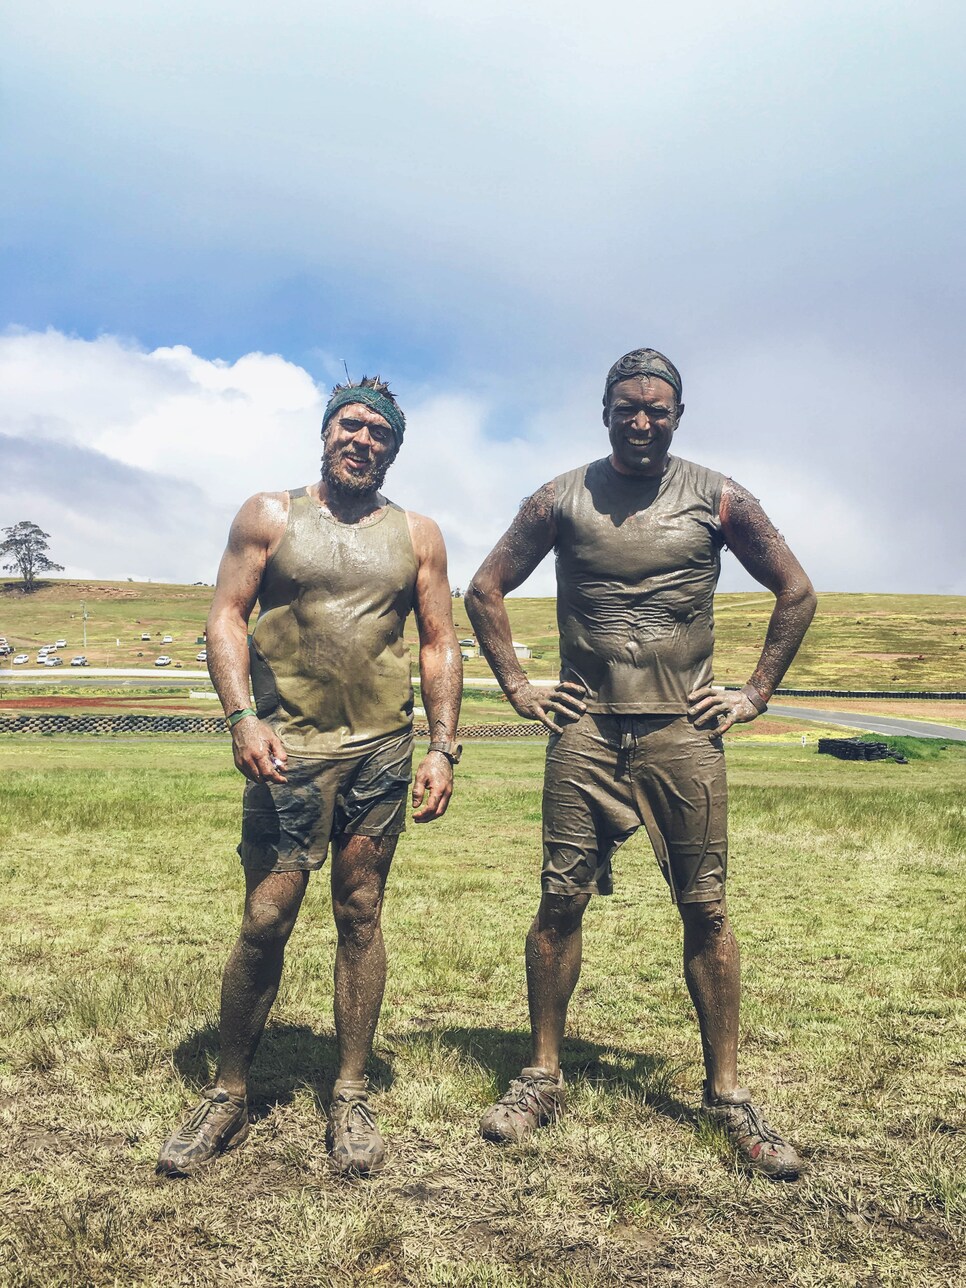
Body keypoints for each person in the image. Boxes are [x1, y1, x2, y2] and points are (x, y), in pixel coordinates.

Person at [465, 348, 816, 1179]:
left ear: (677, 416)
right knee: (559, 899)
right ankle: (542, 1074)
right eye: (628, 406)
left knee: (707, 908)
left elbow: (796, 590)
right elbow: (485, 588)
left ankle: (727, 1095)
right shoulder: (560, 498)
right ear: (605, 410)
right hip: (586, 734)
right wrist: (518, 686)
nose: (642, 420)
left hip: (682, 735)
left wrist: (754, 694)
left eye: (657, 408)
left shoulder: (720, 498)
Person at [157, 377, 463, 1179]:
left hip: (380, 752)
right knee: (267, 918)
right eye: (349, 426)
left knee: (361, 911)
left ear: (393, 449)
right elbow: (225, 615)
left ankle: (350, 1091)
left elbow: (439, 641)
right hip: (287, 751)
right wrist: (240, 717)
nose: (361, 441)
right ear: (326, 433)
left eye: (378, 434)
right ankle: (228, 1091)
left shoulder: (418, 535)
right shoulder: (270, 515)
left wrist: (443, 746)